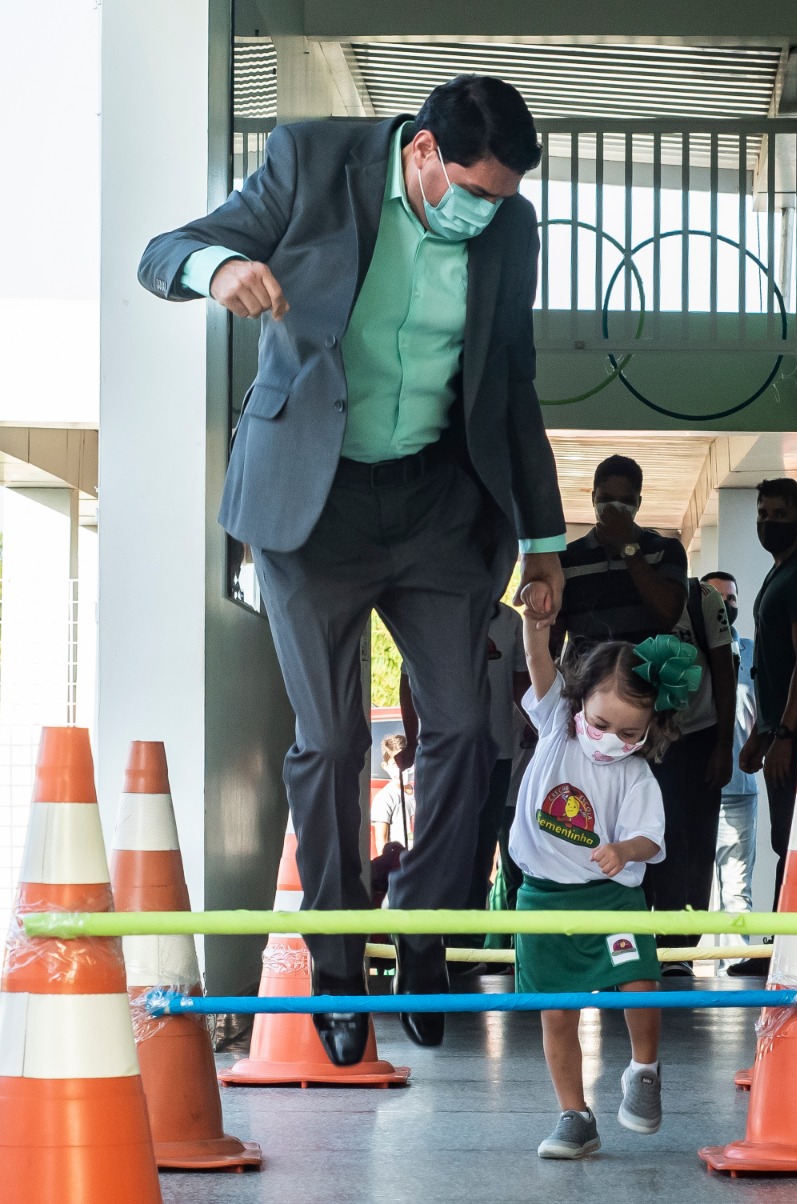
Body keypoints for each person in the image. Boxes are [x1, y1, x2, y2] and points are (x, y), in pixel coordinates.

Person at [139, 74, 566, 1066]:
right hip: (312, 506)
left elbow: (510, 379)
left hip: (437, 507)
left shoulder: (508, 231)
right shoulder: (310, 159)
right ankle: (338, 967)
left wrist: (543, 541)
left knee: (469, 724)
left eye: (501, 197)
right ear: (420, 153)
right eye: (472, 190)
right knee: (329, 741)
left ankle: (422, 938)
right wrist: (215, 270)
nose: (485, 211)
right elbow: (165, 250)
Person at [511, 583, 697, 1160]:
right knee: (556, 1012)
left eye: (629, 733)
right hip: (542, 897)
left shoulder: (635, 775)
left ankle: (643, 1070)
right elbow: (536, 657)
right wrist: (537, 622)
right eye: (600, 723)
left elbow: (649, 838)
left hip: (610, 898)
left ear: (649, 730)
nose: (611, 741)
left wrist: (625, 850)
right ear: (578, 702)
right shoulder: (554, 725)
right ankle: (574, 1114)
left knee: (640, 983)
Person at [645, 577, 735, 967]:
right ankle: (644, 945)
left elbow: (724, 671)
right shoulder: (627, 593)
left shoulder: (702, 599)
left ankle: (680, 948)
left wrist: (723, 745)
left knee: (695, 846)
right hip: (640, 740)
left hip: (698, 736)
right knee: (651, 842)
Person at [739, 479, 797, 907]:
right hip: (775, 731)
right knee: (783, 838)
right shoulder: (779, 571)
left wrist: (786, 735)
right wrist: (759, 733)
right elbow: (770, 667)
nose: (768, 523)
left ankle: (783, 948)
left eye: (779, 516)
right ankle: (778, 945)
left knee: (794, 840)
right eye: (762, 515)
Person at [555, 455, 687, 654]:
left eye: (625, 501)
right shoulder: (566, 559)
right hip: (585, 681)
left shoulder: (666, 550)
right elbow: (552, 639)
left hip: (644, 679)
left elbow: (668, 615)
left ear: (638, 503)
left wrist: (628, 546)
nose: (615, 508)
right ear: (593, 498)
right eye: (606, 499)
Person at [460, 599, 528, 948]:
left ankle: (468, 945)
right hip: (448, 757)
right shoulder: (440, 610)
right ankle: (436, 946)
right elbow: (409, 677)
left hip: (498, 754)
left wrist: (537, 723)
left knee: (482, 854)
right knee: (448, 851)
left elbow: (521, 683)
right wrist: (413, 740)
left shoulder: (511, 620)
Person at [702, 571, 759, 976]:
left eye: (731, 598)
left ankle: (735, 969)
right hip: (696, 791)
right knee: (691, 888)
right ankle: (680, 966)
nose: (725, 605)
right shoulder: (686, 653)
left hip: (739, 791)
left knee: (736, 890)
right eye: (715, 597)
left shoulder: (754, 653)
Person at [371, 734, 414, 856]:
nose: (402, 768)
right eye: (396, 763)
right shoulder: (385, 798)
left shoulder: (420, 793)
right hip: (398, 865)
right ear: (385, 766)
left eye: (407, 762)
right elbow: (381, 841)